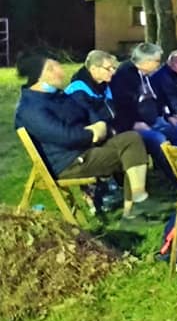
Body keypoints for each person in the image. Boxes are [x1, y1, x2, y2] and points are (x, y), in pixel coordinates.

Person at [14, 52, 150, 220]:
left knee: (132, 138)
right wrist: (92, 132)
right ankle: (135, 211)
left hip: (84, 150)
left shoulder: (57, 96)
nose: (61, 73)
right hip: (69, 162)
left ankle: (135, 204)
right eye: (52, 69)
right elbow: (65, 136)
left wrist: (100, 125)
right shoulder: (31, 109)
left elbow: (87, 111)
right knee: (129, 153)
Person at [111, 42, 177, 177]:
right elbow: (122, 105)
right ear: (146, 61)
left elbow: (158, 99)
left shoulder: (148, 75)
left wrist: (169, 117)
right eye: (157, 61)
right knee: (159, 140)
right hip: (133, 125)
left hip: (155, 120)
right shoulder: (124, 76)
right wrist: (134, 122)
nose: (159, 64)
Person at [65, 50, 119, 126]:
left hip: (111, 129)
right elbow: (90, 120)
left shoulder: (105, 85)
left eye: (113, 68)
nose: (113, 72)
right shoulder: (78, 91)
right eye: (108, 68)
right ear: (93, 69)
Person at [149, 49, 177, 126]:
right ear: (169, 63)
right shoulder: (161, 77)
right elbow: (168, 100)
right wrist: (173, 116)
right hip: (164, 116)